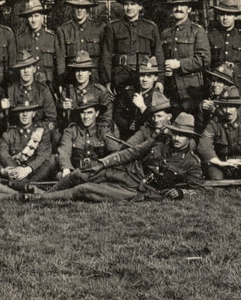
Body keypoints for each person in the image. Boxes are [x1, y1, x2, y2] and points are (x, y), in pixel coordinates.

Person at [35, 112, 202, 202]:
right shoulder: (160, 140)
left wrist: (181, 193)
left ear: (190, 137)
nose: (177, 138)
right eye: (175, 133)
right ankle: (44, 194)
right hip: (126, 174)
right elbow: (132, 153)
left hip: (136, 190)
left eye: (182, 135)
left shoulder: (191, 163)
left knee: (84, 189)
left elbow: (199, 191)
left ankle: (39, 199)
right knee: (80, 174)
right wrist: (102, 163)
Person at [100, 0, 163, 94]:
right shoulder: (113, 27)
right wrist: (108, 80)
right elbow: (106, 55)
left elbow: (158, 55)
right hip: (120, 77)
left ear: (140, 6)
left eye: (133, 4)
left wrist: (160, 80)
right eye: (126, 4)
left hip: (144, 76)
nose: (129, 8)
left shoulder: (150, 27)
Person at [161, 0, 210, 111]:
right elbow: (161, 58)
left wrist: (180, 64)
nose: (178, 8)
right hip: (171, 92)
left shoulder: (197, 31)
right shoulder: (166, 33)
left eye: (183, 5)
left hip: (191, 92)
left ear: (189, 9)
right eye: (175, 5)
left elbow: (204, 59)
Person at [0, 100, 57, 185]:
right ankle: (29, 187)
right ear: (17, 114)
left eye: (28, 111)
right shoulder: (9, 133)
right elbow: (2, 154)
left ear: (34, 114)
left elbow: (43, 156)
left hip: (35, 173)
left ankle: (26, 185)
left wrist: (28, 169)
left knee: (51, 160)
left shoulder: (41, 131)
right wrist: (11, 170)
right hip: (16, 173)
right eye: (21, 111)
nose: (25, 114)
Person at [56, 99, 120, 178]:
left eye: (89, 112)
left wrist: (105, 167)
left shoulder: (103, 131)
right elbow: (64, 151)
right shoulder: (71, 131)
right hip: (76, 173)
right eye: (83, 113)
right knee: (60, 176)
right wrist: (66, 168)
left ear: (96, 113)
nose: (86, 116)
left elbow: (115, 151)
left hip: (99, 174)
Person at [54, 0, 104, 90]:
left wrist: (105, 80)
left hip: (95, 80)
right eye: (76, 6)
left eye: (83, 7)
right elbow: (61, 61)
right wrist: (61, 82)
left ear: (87, 8)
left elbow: (104, 58)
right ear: (72, 8)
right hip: (72, 80)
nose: (79, 10)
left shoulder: (99, 28)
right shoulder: (63, 30)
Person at [0, 49, 57, 133]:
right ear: (18, 71)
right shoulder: (11, 91)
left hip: (39, 133)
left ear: (34, 69)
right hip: (18, 135)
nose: (26, 71)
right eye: (22, 68)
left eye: (28, 67)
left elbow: (52, 120)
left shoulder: (43, 90)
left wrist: (38, 131)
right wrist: (2, 110)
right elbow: (3, 122)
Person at [207, 0, 241, 98]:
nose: (225, 18)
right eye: (222, 14)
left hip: (237, 84)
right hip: (217, 86)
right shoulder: (211, 36)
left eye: (229, 14)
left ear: (235, 16)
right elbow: (207, 65)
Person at [58, 50, 113, 130]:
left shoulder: (100, 92)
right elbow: (61, 121)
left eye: (84, 70)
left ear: (90, 72)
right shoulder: (67, 92)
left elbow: (106, 119)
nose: (80, 74)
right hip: (74, 135)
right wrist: (62, 108)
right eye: (77, 70)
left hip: (95, 135)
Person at [113, 57, 164, 138]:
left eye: (149, 76)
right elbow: (117, 114)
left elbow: (156, 123)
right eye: (142, 75)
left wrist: (143, 107)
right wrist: (128, 126)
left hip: (147, 138)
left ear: (156, 77)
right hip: (127, 136)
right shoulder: (129, 93)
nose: (145, 79)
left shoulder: (159, 97)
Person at [16, 0, 57, 87]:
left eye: (36, 16)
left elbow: (58, 65)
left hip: (48, 85)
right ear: (27, 19)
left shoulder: (52, 38)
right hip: (28, 85)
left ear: (42, 17)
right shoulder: (21, 41)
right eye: (30, 17)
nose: (33, 20)